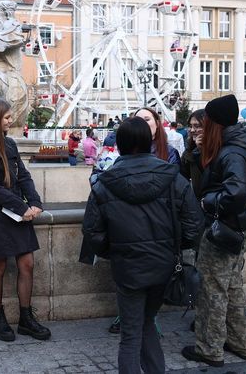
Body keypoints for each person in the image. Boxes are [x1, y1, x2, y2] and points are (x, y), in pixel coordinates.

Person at [83, 117, 202, 374]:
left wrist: (115, 250)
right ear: (149, 143)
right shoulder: (172, 178)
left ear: (120, 145)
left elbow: (92, 232)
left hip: (128, 268)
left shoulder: (105, 183)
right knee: (147, 322)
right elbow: (194, 225)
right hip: (163, 266)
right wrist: (175, 248)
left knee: (130, 334)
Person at [181, 94, 246, 367]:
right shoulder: (239, 145)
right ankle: (241, 344)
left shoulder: (231, 152)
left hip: (222, 231)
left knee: (212, 291)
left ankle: (209, 349)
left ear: (215, 123)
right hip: (238, 229)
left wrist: (208, 201)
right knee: (232, 288)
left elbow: (236, 192)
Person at [0, 98, 50, 342]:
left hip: (17, 212)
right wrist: (21, 207)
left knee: (27, 264)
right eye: (6, 117)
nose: (10, 120)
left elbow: (24, 176)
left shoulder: (10, 144)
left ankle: (26, 319)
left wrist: (35, 203)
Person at [180, 109, 206, 199]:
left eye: (197, 126)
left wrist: (201, 151)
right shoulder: (190, 149)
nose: (192, 130)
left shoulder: (220, 150)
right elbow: (182, 174)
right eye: (190, 126)